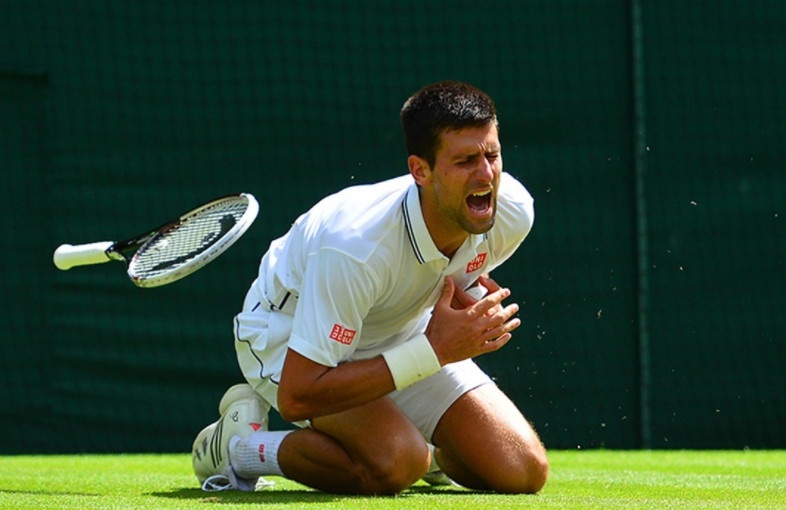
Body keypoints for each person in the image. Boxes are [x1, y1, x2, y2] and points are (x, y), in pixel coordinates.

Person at [191, 80, 548, 495]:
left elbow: (445, 280)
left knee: (520, 471)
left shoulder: (511, 212)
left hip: (401, 334)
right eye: (466, 160)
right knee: (397, 464)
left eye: (492, 154)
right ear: (420, 170)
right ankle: (239, 448)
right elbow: (298, 395)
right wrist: (436, 350)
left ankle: (423, 446)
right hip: (287, 339)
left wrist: (469, 310)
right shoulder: (355, 246)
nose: (486, 174)